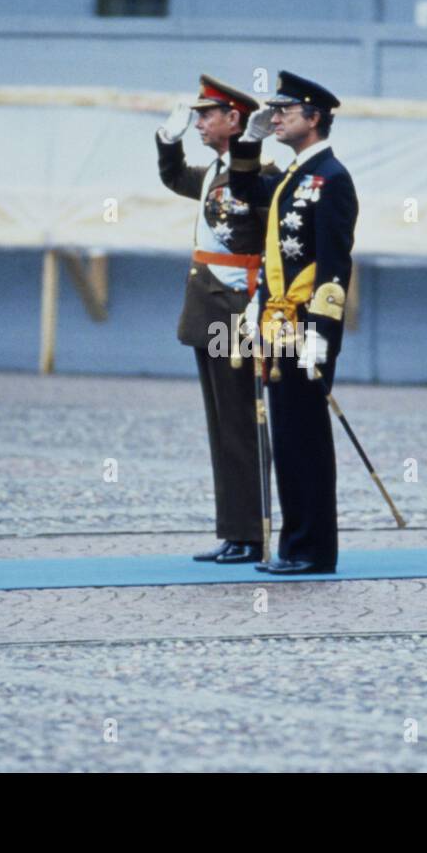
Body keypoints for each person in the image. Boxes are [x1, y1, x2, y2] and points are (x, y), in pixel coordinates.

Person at [229, 71, 357, 575]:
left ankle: (312, 549)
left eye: (285, 111)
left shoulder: (332, 178)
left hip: (306, 324)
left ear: (315, 117)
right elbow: (242, 189)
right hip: (278, 320)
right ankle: (295, 544)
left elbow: (334, 265)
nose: (275, 116)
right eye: (274, 110)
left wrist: (321, 338)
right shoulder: (291, 174)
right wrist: (249, 139)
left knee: (305, 438)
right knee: (286, 434)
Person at [156, 74, 279, 564]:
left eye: (208, 115)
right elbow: (173, 177)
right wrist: (167, 142)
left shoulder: (261, 174)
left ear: (235, 119)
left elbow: (266, 245)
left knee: (241, 427)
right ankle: (234, 530)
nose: (200, 123)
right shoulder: (214, 172)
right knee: (220, 424)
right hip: (209, 311)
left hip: (236, 314)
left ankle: (251, 532)